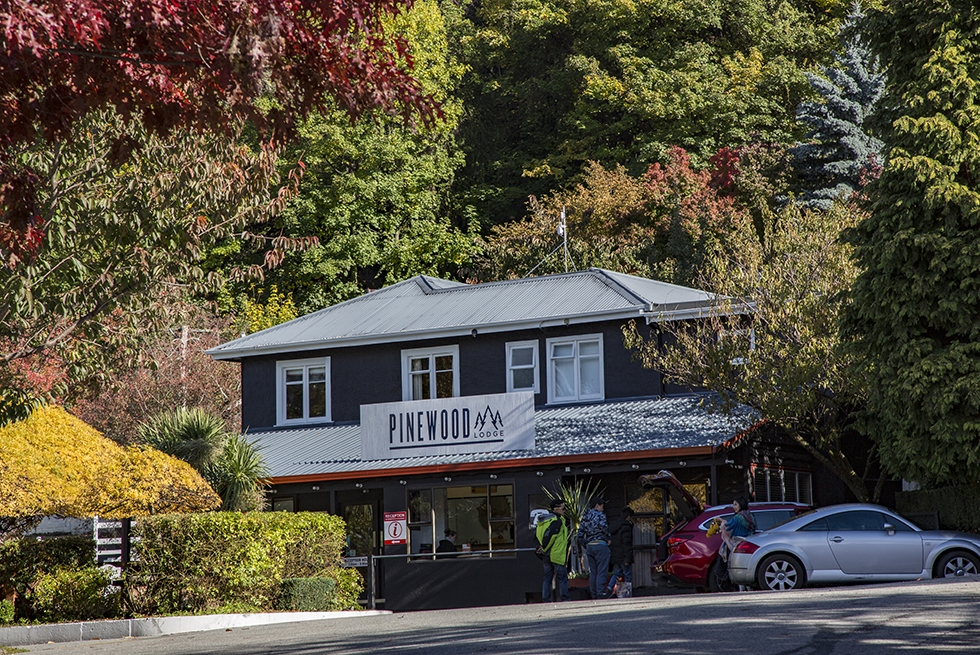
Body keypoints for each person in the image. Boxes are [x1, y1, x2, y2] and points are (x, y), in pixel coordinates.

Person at [715, 496, 755, 589]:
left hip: (739, 544)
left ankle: (741, 589)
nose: (734, 507)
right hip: (750, 544)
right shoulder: (750, 515)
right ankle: (748, 588)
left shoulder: (739, 517)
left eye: (735, 504)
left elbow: (728, 526)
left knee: (738, 567)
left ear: (741, 505)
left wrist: (720, 520)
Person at [536, 499, 571, 602]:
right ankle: (565, 599)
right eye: (563, 508)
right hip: (556, 554)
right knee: (563, 578)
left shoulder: (544, 520)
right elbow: (551, 536)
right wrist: (545, 547)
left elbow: (537, 535)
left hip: (546, 555)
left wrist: (540, 547)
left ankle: (546, 599)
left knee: (547, 578)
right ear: (556, 509)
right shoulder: (557, 521)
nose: (564, 511)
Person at [577, 496, 611, 599]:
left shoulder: (585, 516)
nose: (603, 508)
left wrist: (585, 544)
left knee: (593, 571)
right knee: (602, 570)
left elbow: (580, 534)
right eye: (602, 506)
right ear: (597, 505)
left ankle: (593, 593)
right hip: (601, 544)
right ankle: (600, 592)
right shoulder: (600, 515)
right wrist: (608, 538)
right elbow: (604, 527)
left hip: (590, 546)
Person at [602, 507, 634, 598]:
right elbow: (627, 543)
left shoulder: (614, 525)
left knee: (617, 573)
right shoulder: (626, 527)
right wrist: (628, 558)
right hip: (623, 555)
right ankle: (626, 592)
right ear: (628, 516)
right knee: (627, 574)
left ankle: (609, 587)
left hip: (615, 555)